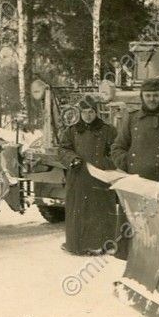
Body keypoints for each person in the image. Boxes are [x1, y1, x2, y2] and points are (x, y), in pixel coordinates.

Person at [57, 96, 122, 255]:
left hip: (100, 178)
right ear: (79, 113)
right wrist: (72, 159)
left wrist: (104, 164)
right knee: (79, 211)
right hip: (79, 178)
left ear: (96, 112)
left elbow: (117, 151)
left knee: (101, 210)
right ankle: (77, 245)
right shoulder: (72, 131)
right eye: (84, 112)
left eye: (91, 111)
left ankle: (104, 244)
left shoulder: (108, 130)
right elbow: (63, 149)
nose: (88, 115)